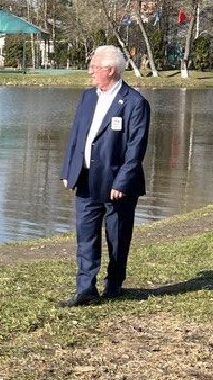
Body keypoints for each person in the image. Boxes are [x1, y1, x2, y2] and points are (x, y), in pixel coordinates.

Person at [59, 45, 150, 306]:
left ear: (110, 70)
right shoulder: (88, 97)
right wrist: (69, 170)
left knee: (117, 236)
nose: (90, 71)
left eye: (95, 67)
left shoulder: (135, 103)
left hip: (116, 184)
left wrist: (122, 181)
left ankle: (114, 283)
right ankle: (85, 288)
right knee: (85, 235)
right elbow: (77, 136)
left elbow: (136, 148)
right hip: (86, 179)